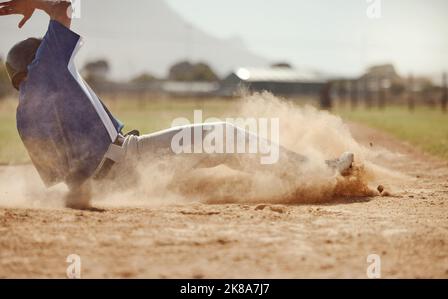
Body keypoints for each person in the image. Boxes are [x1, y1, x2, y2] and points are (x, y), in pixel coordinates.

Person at [1, 0, 354, 209]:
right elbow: (65, 7)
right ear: (33, 62)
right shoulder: (46, 67)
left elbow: (59, 176)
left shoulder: (23, 118)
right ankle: (319, 173)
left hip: (107, 184)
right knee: (222, 136)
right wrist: (39, 3)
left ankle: (295, 177)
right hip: (129, 161)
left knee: (199, 166)